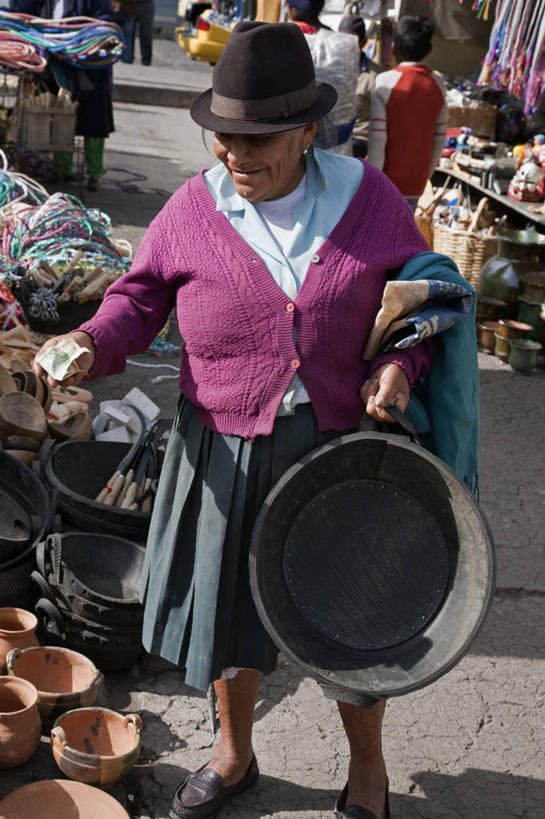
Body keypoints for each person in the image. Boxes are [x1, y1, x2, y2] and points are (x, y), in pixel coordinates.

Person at [33, 21, 478, 819]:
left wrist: (397, 367)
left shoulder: (364, 198)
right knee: (226, 614)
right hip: (223, 447)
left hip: (336, 447)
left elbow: (419, 291)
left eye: (259, 138)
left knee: (351, 616)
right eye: (223, 136)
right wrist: (87, 340)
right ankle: (233, 755)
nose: (236, 155)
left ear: (310, 129)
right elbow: (137, 300)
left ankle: (366, 773)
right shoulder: (192, 208)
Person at [10, 0, 115, 191]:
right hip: (57, 67)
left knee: (94, 126)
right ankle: (62, 169)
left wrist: (90, 41)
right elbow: (22, 13)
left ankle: (95, 173)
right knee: (60, 119)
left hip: (89, 70)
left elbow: (105, 20)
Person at [367, 15, 447, 210]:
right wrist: (424, 175)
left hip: (387, 182)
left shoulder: (384, 82)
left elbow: (378, 140)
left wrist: (372, 184)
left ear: (394, 47)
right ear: (428, 50)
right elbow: (439, 139)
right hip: (417, 182)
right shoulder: (438, 84)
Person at [287, 0, 359, 155]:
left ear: (289, 9)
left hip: (294, 159)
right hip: (341, 156)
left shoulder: (279, 42)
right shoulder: (347, 44)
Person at [339, 11, 384, 159]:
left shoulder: (376, 76)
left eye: (351, 41)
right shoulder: (331, 69)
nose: (346, 45)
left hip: (360, 142)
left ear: (363, 42)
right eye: (342, 40)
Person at [132, 0, 154, 65]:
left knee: (146, 34)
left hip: (146, 3)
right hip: (130, 4)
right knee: (129, 34)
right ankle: (128, 59)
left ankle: (146, 61)